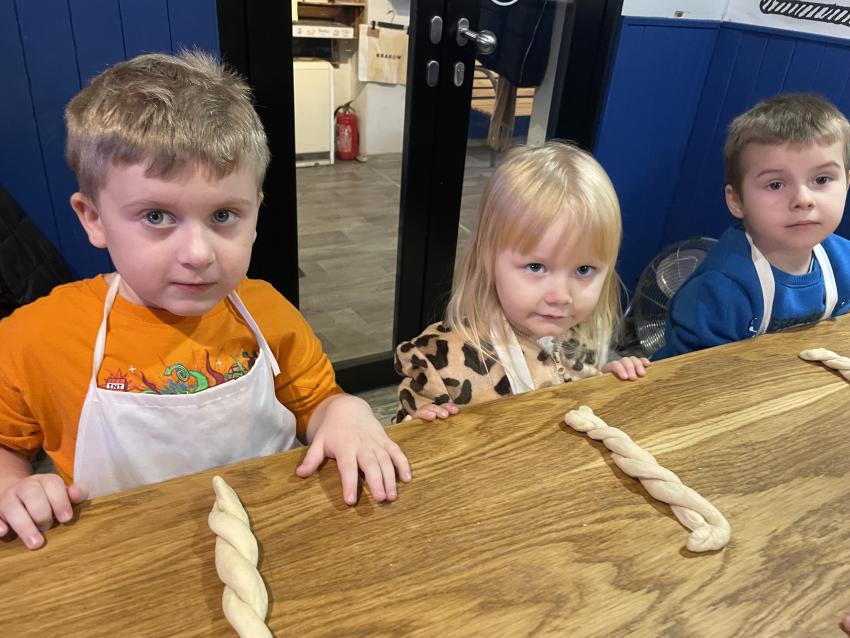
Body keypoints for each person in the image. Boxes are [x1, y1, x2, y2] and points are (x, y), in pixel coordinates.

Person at [0, 51, 410, 550]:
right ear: (94, 218)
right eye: (156, 216)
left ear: (256, 213)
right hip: (125, 557)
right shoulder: (37, 337)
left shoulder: (267, 311)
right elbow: (6, 445)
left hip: (276, 538)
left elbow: (315, 404)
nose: (198, 254)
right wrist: (12, 487)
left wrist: (345, 411)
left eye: (223, 216)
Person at [393, 142, 649, 423]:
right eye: (536, 267)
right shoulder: (438, 364)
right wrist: (418, 428)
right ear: (488, 258)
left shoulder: (581, 336)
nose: (561, 296)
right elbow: (403, 439)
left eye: (584, 270)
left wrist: (605, 383)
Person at [654, 93, 850, 360]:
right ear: (736, 201)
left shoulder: (844, 259)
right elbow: (692, 374)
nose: (803, 199)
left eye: (822, 179)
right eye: (776, 184)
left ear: (846, 183)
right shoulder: (719, 290)